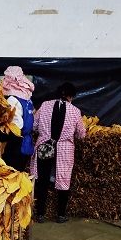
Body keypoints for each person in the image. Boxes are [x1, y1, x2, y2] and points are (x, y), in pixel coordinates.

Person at [30, 82, 86, 223]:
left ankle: (40, 214)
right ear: (71, 96)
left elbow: (34, 126)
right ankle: (61, 215)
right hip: (64, 151)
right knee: (63, 180)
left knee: (42, 180)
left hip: (45, 147)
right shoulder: (75, 111)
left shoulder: (44, 105)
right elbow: (81, 134)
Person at [0, 66, 35, 171]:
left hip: (17, 144)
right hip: (26, 143)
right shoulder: (27, 98)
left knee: (11, 174)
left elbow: (16, 126)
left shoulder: (12, 99)